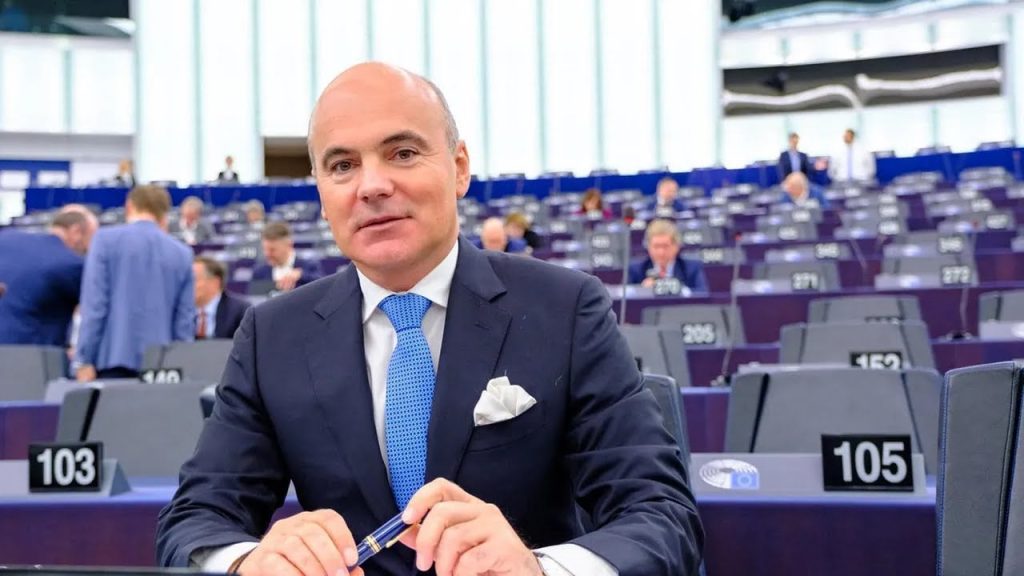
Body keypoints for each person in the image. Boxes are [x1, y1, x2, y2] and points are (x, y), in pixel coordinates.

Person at [157, 62, 703, 576]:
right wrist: (246, 561)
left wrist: (536, 568)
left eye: (401, 153)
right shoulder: (271, 335)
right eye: (342, 165)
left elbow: (661, 516)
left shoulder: (564, 308)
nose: (370, 185)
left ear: (459, 167)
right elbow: (196, 520)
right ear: (323, 196)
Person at [74, 185, 195, 381]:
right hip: (163, 367)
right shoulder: (182, 253)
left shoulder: (104, 241)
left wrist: (84, 359)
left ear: (129, 206)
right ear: (164, 213)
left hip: (111, 360)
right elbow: (184, 320)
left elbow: (95, 306)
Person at [0, 206, 98, 347]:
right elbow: (97, 309)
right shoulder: (70, 263)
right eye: (91, 239)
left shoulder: (6, 238)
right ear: (76, 231)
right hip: (31, 357)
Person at [627, 219, 709, 294]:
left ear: (676, 246)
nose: (661, 252)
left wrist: (678, 290)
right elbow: (624, 296)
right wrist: (641, 291)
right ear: (648, 247)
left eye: (665, 246)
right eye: (656, 246)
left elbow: (702, 293)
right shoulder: (636, 270)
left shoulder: (692, 268)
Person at [250, 222, 322, 292]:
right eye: (265, 249)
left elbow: (322, 287)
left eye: (272, 250)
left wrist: (301, 275)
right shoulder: (259, 272)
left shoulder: (309, 266)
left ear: (289, 245)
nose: (267, 254)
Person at [193, 256, 250, 340]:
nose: (187, 286)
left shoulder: (241, 311)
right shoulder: (180, 312)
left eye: (194, 280)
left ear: (215, 282)